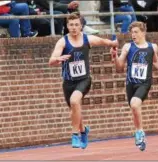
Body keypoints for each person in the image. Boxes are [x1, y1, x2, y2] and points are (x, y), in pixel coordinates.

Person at [48, 12, 118, 149]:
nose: (74, 27)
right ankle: (83, 130)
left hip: (84, 80)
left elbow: (106, 42)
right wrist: (57, 59)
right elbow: (51, 60)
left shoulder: (88, 39)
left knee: (75, 101)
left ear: (81, 26)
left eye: (76, 25)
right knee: (74, 110)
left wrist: (114, 45)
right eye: (71, 25)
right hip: (68, 82)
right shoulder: (62, 41)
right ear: (67, 26)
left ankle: (75, 135)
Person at [110, 21, 158, 151]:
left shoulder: (152, 47)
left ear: (143, 32)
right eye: (132, 32)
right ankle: (138, 131)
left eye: (136, 32)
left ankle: (139, 132)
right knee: (133, 107)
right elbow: (119, 68)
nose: (133, 35)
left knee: (135, 104)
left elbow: (155, 61)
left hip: (144, 83)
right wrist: (114, 57)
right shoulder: (127, 47)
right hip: (131, 84)